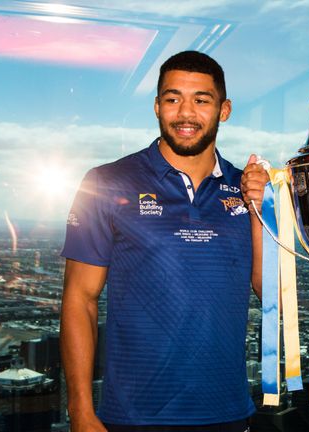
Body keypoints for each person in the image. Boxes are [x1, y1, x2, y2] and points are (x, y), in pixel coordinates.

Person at [60, 50, 268, 432]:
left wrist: (262, 212)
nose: (186, 113)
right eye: (173, 99)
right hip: (132, 418)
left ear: (224, 110)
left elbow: (272, 295)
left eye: (201, 100)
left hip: (229, 414)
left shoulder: (249, 191)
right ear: (157, 106)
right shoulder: (107, 182)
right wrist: (81, 412)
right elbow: (79, 299)